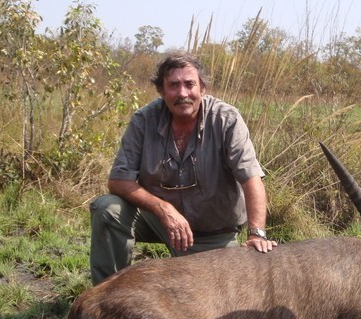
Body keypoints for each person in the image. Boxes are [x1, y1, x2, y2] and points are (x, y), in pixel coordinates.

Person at [90, 51, 277, 285]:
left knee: (217, 295)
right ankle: (104, 295)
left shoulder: (226, 119)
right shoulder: (144, 120)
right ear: (161, 90)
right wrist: (164, 209)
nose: (182, 94)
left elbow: (251, 179)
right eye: (173, 85)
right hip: (158, 222)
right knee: (108, 209)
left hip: (212, 233)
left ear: (203, 88)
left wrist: (256, 233)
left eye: (190, 84)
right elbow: (118, 180)